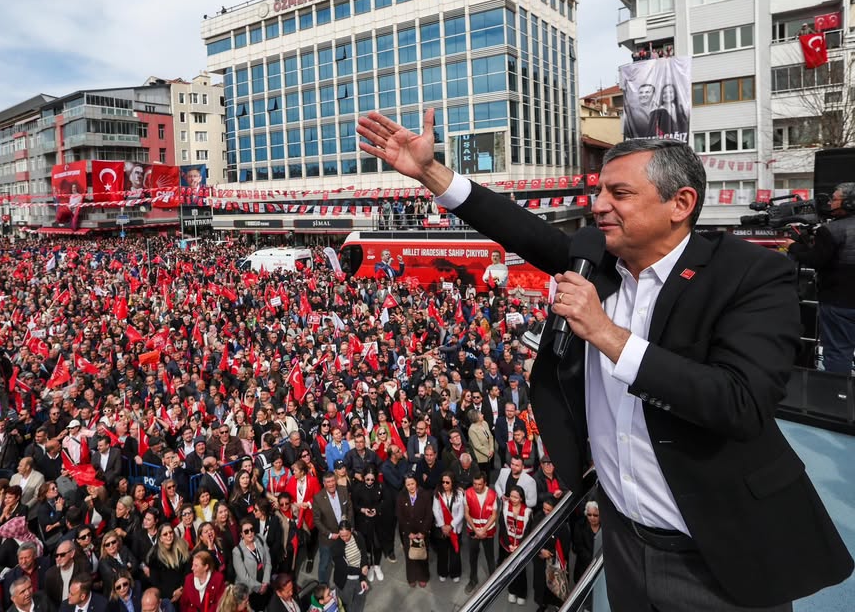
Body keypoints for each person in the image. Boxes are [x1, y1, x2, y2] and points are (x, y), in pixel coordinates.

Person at [358, 109, 853, 609]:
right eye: (599, 192)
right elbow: (519, 228)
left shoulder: (751, 275)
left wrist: (607, 335)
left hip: (719, 550)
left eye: (619, 193)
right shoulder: (600, 260)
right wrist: (430, 172)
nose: (598, 206)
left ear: (680, 203)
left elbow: (740, 402)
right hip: (622, 540)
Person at [789, 182, 855, 375]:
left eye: (834, 199)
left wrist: (793, 246)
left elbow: (815, 260)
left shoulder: (831, 230)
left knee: (838, 352)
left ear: (849, 203)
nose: (830, 203)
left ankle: (837, 392)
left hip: (839, 303)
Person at [310, 471, 351, 586]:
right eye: (328, 482)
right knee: (324, 564)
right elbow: (316, 520)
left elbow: (349, 508)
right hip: (327, 539)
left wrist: (348, 527)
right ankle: (322, 586)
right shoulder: (318, 498)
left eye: (333, 481)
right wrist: (329, 534)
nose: (331, 484)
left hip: (343, 535)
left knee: (343, 559)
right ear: (324, 483)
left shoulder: (343, 490)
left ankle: (343, 581)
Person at [394, 475, 432, 588]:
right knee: (409, 556)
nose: (411, 487)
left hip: (422, 530)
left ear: (416, 483)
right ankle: (411, 577)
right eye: (408, 484)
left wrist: (423, 532)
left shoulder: (425, 495)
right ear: (405, 485)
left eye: (412, 484)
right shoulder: (401, 496)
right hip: (408, 531)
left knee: (422, 555)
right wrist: (408, 532)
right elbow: (400, 516)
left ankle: (423, 577)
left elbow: (429, 515)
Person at [496, 486, 531, 606]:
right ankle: (512, 591)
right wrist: (509, 544)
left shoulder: (527, 512)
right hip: (508, 545)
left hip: (521, 547)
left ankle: (522, 593)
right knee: (510, 569)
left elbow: (527, 532)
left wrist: (519, 546)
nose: (513, 499)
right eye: (511, 496)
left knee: (521, 570)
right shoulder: (505, 507)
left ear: (521, 498)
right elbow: (502, 527)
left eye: (516, 497)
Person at [430, 473, 464, 583]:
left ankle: (455, 573)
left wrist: (451, 525)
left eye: (447, 482)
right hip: (442, 528)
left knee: (455, 551)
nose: (444, 484)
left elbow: (461, 513)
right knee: (442, 552)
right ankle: (442, 572)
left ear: (452, 482)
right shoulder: (437, 493)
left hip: (455, 528)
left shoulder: (459, 494)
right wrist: (442, 526)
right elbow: (435, 510)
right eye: (443, 482)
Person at [231, 519, 270, 612]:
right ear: (241, 534)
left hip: (264, 584)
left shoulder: (260, 539)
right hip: (249, 591)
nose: (250, 533)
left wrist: (265, 582)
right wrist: (259, 587)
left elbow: (268, 561)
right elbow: (244, 577)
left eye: (251, 530)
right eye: (246, 531)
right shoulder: (237, 551)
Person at [328, 522, 368, 612]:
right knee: (346, 604)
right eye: (342, 536)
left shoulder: (358, 536)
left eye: (347, 535)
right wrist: (361, 571)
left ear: (351, 531)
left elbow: (363, 554)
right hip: (345, 581)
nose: (345, 538)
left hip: (359, 576)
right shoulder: (335, 547)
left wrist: (362, 578)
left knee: (359, 600)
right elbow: (344, 569)